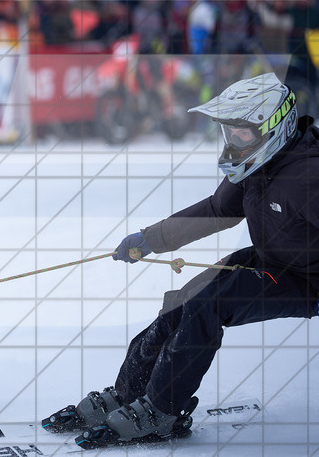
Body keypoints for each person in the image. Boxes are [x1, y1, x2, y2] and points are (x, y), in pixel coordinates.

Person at [45, 73, 316, 447]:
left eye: (242, 133)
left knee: (209, 304)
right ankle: (129, 392)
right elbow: (217, 209)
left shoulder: (308, 178)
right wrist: (151, 239)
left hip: (307, 280)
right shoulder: (260, 164)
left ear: (274, 127)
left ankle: (160, 411)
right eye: (229, 133)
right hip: (272, 256)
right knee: (184, 299)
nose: (233, 141)